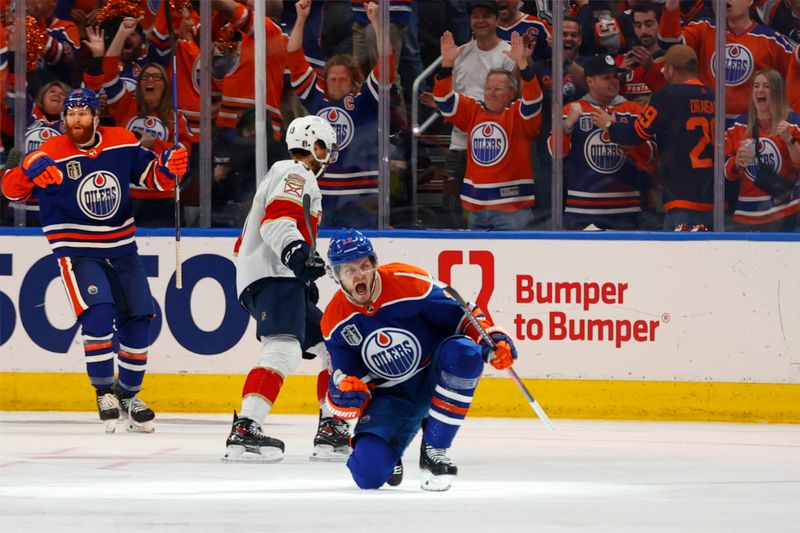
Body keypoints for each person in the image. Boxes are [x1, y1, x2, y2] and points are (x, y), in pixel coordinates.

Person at [0, 88, 189, 433]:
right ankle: (104, 391)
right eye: (71, 115)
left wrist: (172, 166)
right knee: (99, 313)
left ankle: (129, 394)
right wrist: (27, 167)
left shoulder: (121, 141)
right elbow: (11, 191)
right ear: (64, 119)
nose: (76, 120)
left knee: (140, 318)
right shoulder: (49, 152)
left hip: (122, 247)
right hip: (77, 250)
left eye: (83, 114)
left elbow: (156, 179)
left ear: (95, 117)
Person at [321, 229, 519, 491]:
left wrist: (491, 340)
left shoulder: (408, 281)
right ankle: (392, 449)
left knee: (466, 353)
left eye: (364, 266)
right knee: (368, 476)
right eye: (349, 271)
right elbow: (346, 382)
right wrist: (346, 393)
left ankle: (434, 447)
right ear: (336, 276)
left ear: (374, 263)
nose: (359, 275)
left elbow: (462, 315)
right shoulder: (335, 322)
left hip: (434, 373)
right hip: (393, 397)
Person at [223, 114, 348, 463]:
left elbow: (268, 229)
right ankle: (246, 427)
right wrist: (295, 256)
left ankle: (332, 426)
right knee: (283, 350)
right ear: (315, 146)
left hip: (278, 275)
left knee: (331, 346)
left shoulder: (287, 175)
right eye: (326, 148)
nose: (328, 156)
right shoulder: (295, 172)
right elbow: (277, 220)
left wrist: (302, 270)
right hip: (274, 274)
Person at [287, 0, 392, 228]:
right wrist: (301, 19)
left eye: (342, 79)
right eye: (332, 79)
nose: (336, 84)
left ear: (353, 81)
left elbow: (386, 64)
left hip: (359, 199)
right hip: (320, 197)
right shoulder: (316, 96)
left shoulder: (365, 100)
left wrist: (376, 22)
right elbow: (294, 57)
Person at [592, 45, 715, 231]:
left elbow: (637, 134)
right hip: (710, 193)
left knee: (678, 256)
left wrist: (609, 125)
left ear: (671, 69)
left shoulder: (667, 96)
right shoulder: (712, 96)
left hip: (681, 193)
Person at [434, 31, 543, 230]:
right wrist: (447, 66)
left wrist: (524, 66)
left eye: (498, 89)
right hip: (475, 208)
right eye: (488, 88)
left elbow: (533, 99)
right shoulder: (474, 111)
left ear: (512, 92)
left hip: (513, 210)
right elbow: (444, 99)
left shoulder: (519, 115)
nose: (491, 93)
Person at [550, 54, 656, 230]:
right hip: (581, 210)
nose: (613, 81)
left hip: (625, 210)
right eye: (606, 77)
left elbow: (651, 155)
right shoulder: (571, 110)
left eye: (615, 76)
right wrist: (568, 124)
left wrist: (619, 132)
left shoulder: (633, 111)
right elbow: (555, 153)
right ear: (590, 81)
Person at [658, 0, 796, 124]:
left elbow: (795, 75)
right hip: (708, 125)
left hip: (749, 130)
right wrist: (672, 4)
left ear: (750, 1)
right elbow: (669, 44)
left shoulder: (771, 41)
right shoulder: (704, 29)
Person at [724, 69, 800, 231]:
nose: (760, 90)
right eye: (756, 86)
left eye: (766, 86)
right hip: (747, 211)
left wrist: (789, 140)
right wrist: (736, 163)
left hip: (784, 209)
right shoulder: (738, 125)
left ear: (778, 91)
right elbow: (724, 172)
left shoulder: (793, 124)